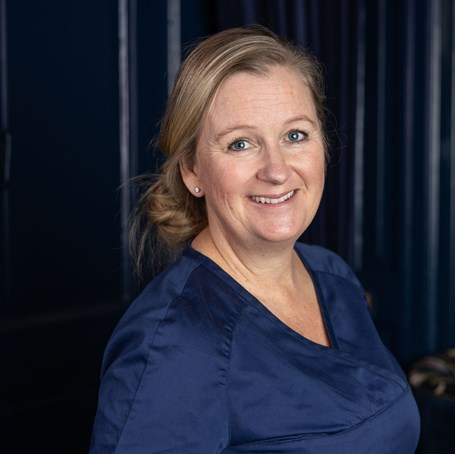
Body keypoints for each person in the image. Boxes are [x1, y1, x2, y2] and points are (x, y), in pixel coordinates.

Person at [90, 26, 420, 453]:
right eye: (241, 144)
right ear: (192, 170)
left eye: (295, 135)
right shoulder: (171, 345)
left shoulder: (332, 275)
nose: (276, 170)